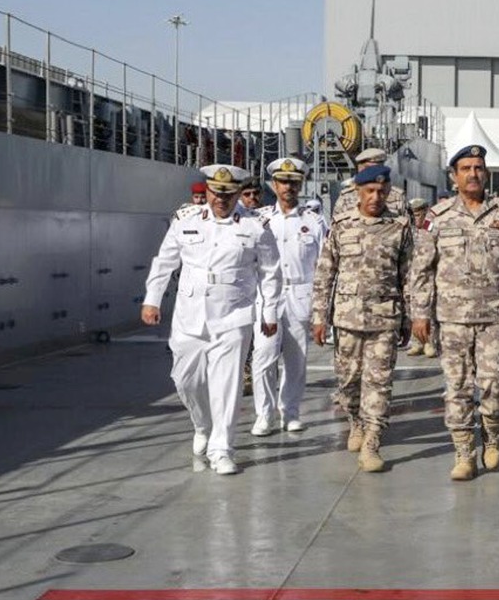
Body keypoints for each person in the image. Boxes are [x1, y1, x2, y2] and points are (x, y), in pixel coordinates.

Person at [140, 164, 281, 475]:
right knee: (186, 380)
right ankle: (202, 424)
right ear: (207, 191)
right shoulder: (185, 221)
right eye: (216, 193)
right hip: (189, 316)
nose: (221, 199)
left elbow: (270, 272)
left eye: (228, 194)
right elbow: (164, 262)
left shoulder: (256, 226)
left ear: (238, 194)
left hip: (233, 315)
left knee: (227, 385)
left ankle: (222, 449)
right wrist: (152, 299)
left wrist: (268, 313)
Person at [408, 145, 499, 481]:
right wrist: (420, 314)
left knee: (494, 384)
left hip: (495, 317)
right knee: (458, 387)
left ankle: (491, 433)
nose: (473, 174)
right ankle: (464, 452)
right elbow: (421, 270)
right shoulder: (438, 217)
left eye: (478, 167)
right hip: (452, 319)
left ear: (486, 173)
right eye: (466, 168)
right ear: (454, 175)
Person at [311, 164, 413, 472]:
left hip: (385, 317)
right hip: (347, 318)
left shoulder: (399, 227)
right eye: (369, 191)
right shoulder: (342, 225)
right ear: (358, 191)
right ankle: (356, 420)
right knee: (348, 381)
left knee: (379, 382)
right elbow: (325, 272)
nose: (375, 197)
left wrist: (410, 317)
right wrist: (319, 316)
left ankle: (372, 441)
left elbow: (408, 276)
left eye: (381, 191)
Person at [250, 157, 327, 436]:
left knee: (296, 359)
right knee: (264, 356)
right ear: (274, 184)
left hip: (300, 294)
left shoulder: (314, 221)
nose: (288, 187)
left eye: (294, 182)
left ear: (301, 184)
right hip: (267, 297)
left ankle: (290, 412)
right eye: (283, 181)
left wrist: (322, 308)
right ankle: (264, 414)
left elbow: (324, 264)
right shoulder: (259, 219)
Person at [404, 198, 437, 358]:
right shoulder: (408, 227)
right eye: (414, 214)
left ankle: (429, 341)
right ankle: (416, 341)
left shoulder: (429, 226)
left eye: (419, 214)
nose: (416, 217)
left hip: (425, 274)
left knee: (427, 307)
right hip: (410, 272)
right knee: (410, 305)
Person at [333, 147, 406, 218]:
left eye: (376, 169)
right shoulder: (346, 197)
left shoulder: (397, 196)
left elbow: (406, 223)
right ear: (359, 169)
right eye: (368, 169)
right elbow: (337, 223)